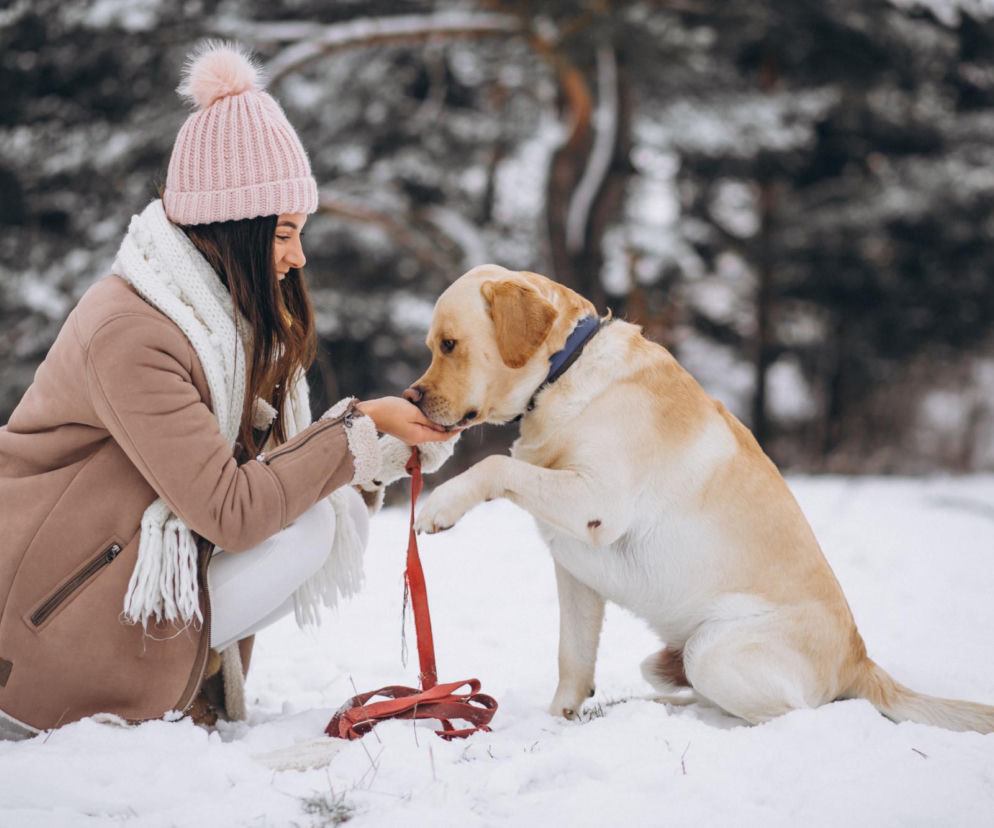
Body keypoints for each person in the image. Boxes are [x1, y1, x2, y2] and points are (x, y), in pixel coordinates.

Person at [0, 41, 457, 740]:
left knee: (324, 512)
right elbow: (233, 512)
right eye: (283, 233)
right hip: (39, 620)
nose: (297, 256)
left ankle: (183, 678)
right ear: (232, 228)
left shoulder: (213, 323)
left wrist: (384, 448)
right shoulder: (132, 332)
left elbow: (265, 481)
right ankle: (132, 686)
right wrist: (358, 428)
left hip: (94, 578)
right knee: (308, 525)